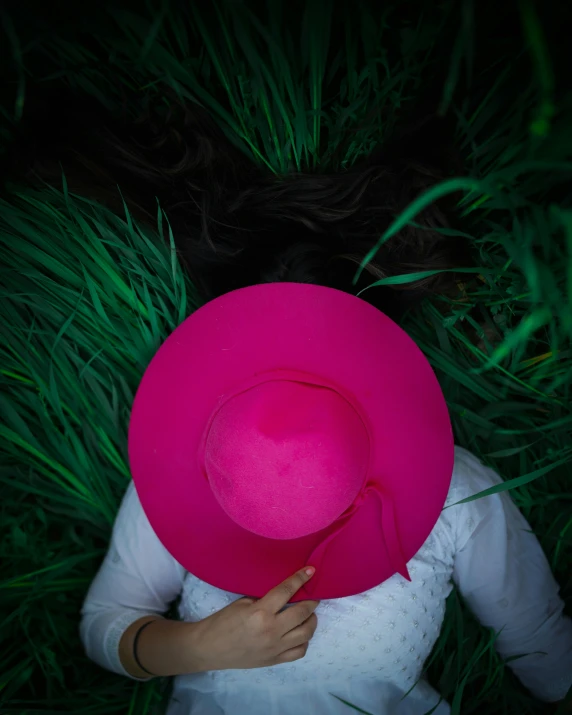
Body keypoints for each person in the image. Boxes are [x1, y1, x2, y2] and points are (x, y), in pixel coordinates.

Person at [80, 281, 572, 715]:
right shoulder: (180, 472)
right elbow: (104, 620)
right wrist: (201, 646)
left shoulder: (451, 486)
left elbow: (536, 633)